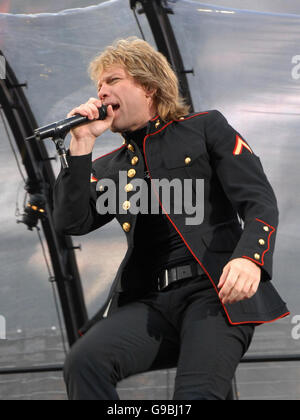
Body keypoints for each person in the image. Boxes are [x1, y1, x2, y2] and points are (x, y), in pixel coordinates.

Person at [53, 37, 289, 400]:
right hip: (150, 303)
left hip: (214, 294)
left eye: (112, 80)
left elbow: (258, 200)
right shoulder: (110, 167)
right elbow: (71, 223)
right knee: (85, 361)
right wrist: (80, 145)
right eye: (97, 86)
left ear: (148, 86)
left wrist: (249, 258)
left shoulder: (204, 127)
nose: (101, 92)